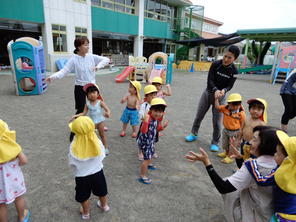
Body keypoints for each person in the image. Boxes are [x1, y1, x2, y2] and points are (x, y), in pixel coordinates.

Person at [185, 126, 279, 222]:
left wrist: (207, 163)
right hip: (272, 214)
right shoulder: (281, 163)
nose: (250, 142)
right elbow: (248, 176)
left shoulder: (253, 165)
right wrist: (240, 159)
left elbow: (223, 188)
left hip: (256, 216)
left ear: (265, 145)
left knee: (230, 187)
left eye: (254, 140)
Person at [45, 37, 110, 141]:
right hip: (80, 87)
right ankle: (74, 130)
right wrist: (52, 77)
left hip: (91, 87)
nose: (88, 47)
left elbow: (106, 59)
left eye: (88, 44)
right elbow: (64, 71)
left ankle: (99, 124)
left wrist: (98, 66)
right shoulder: (74, 59)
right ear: (78, 47)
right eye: (85, 45)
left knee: (96, 106)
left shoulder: (91, 57)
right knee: (80, 109)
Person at [185, 45, 240, 152]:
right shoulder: (216, 64)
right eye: (225, 56)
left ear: (235, 58)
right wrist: (215, 90)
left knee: (217, 122)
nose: (225, 59)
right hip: (208, 93)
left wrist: (223, 91)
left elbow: (230, 85)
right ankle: (193, 133)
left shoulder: (234, 71)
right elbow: (209, 80)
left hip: (221, 97)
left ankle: (215, 142)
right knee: (199, 115)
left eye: (229, 57)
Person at [245, 130, 296, 221]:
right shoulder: (293, 168)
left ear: (287, 159)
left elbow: (261, 180)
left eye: (277, 153)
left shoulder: (282, 174)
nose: (274, 154)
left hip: (283, 217)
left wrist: (251, 164)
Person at [68, 116, 109, 220]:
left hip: (81, 176)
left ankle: (86, 213)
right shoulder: (98, 142)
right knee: (102, 191)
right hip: (98, 173)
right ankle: (104, 206)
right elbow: (102, 155)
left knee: (84, 196)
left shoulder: (73, 145)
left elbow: (71, 163)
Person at [0, 119, 30, 222]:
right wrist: (16, 164)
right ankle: (22, 217)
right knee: (19, 198)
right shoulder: (13, 147)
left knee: (1, 205)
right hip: (14, 179)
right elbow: (24, 161)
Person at [71, 83, 111, 155]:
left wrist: (107, 113)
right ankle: (94, 148)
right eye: (89, 93)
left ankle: (105, 148)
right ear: (87, 96)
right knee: (92, 136)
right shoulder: (87, 104)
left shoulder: (100, 102)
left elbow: (107, 109)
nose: (92, 94)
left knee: (102, 135)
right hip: (91, 123)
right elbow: (84, 113)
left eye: (94, 92)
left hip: (100, 122)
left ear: (98, 94)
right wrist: (76, 116)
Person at [137, 98, 169, 184]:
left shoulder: (156, 119)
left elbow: (157, 129)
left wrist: (163, 127)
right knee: (146, 159)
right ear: (151, 110)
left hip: (150, 141)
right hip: (145, 143)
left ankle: (149, 164)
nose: (158, 114)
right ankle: (143, 176)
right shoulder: (148, 119)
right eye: (156, 111)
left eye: (160, 112)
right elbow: (143, 131)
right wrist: (146, 122)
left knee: (151, 152)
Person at [230, 98, 267, 168]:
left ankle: (249, 171)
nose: (255, 111)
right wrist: (238, 139)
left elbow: (263, 138)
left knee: (251, 160)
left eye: (259, 110)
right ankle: (240, 169)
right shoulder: (246, 119)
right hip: (244, 143)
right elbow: (241, 130)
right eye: (253, 108)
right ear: (249, 109)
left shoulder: (262, 124)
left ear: (263, 111)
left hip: (254, 146)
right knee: (241, 157)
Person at [215, 93, 246, 164]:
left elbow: (243, 124)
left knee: (232, 145)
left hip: (235, 132)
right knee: (225, 143)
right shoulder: (225, 108)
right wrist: (216, 99)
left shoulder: (241, 113)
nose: (235, 107)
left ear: (240, 104)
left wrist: (241, 134)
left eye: (237, 105)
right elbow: (217, 107)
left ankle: (230, 157)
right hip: (226, 130)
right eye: (233, 104)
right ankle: (226, 153)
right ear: (229, 103)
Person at [138, 85, 158, 160]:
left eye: (155, 95)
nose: (153, 97)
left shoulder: (156, 104)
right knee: (142, 139)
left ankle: (152, 150)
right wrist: (144, 117)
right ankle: (140, 152)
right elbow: (140, 114)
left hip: (153, 126)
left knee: (153, 139)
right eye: (151, 95)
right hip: (144, 125)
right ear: (146, 96)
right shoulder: (144, 105)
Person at [280, 68, 296, 132]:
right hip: (286, 88)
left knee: (294, 111)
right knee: (289, 109)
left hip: (294, 90)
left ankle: (285, 119)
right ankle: (283, 129)